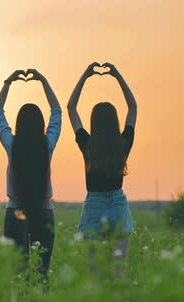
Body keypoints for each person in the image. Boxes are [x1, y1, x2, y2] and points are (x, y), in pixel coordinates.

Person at [67, 62, 138, 269]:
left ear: (93, 122)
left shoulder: (88, 145)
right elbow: (133, 107)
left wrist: (85, 75)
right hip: (118, 203)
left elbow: (71, 107)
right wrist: (117, 75)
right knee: (118, 270)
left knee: (94, 270)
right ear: (115, 121)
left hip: (94, 205)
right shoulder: (123, 144)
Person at [0, 69, 62, 278]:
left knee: (18, 275)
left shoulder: (13, 144)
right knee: (42, 273)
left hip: (15, 212)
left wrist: (8, 82)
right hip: (43, 211)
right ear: (41, 124)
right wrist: (43, 81)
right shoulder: (47, 144)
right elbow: (57, 111)